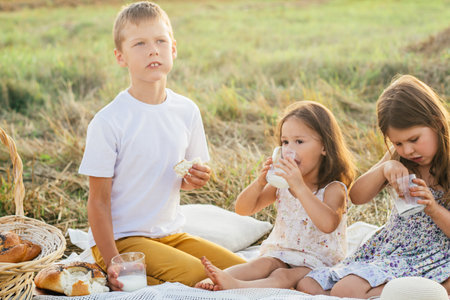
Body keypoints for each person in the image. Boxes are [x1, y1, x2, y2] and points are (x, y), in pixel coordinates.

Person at [78, 1, 245, 290]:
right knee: (204, 277)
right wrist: (114, 260)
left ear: (174, 49)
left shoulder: (187, 110)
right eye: (140, 43)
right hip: (123, 238)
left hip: (171, 234)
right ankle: (109, 271)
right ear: (120, 57)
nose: (153, 49)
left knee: (244, 270)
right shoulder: (109, 122)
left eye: (160, 41)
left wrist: (195, 180)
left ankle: (154, 280)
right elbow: (98, 202)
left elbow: (182, 180)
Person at [297, 75, 450, 298]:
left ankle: (405, 291)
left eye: (414, 139)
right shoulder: (399, 157)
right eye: (398, 143)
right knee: (309, 285)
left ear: (436, 123)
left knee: (345, 291)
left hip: (436, 254)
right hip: (394, 248)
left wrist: (433, 209)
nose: (407, 150)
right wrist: (385, 168)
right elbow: (357, 196)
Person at [195, 101, 355, 291]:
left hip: (316, 262)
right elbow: (243, 209)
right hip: (281, 253)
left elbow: (328, 224)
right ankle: (217, 279)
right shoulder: (281, 184)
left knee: (283, 276)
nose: (289, 149)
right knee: (262, 264)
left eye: (299, 141)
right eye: (285, 142)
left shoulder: (333, 188)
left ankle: (237, 286)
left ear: (325, 147)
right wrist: (260, 182)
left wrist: (300, 187)